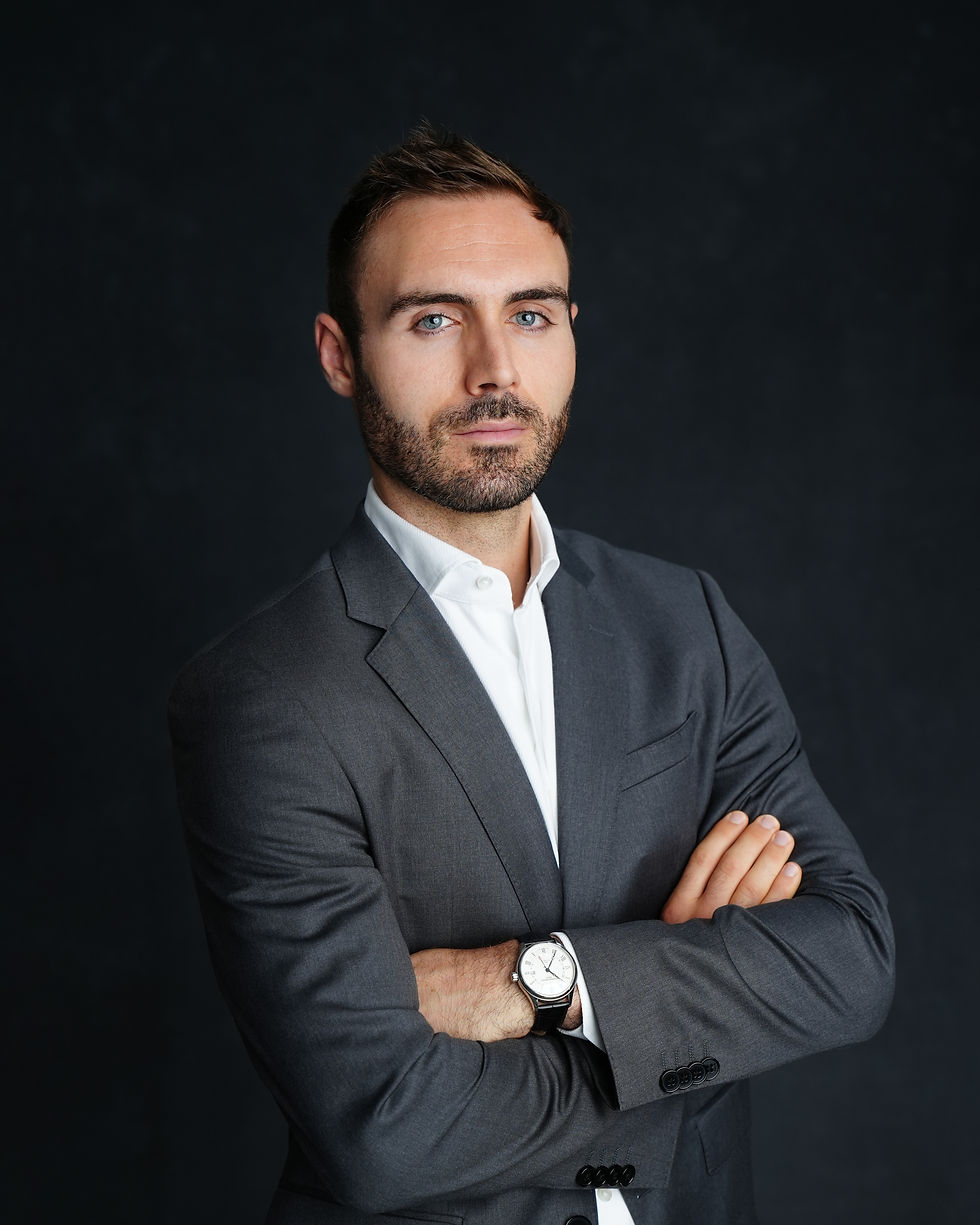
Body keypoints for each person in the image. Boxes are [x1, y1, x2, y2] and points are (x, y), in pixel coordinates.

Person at [170, 124, 894, 1225]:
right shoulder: (264, 695)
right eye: (431, 319)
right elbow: (383, 1129)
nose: (493, 370)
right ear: (337, 353)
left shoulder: (682, 623)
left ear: (568, 332)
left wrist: (531, 982)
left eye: (529, 313)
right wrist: (688, 1003)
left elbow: (850, 957)